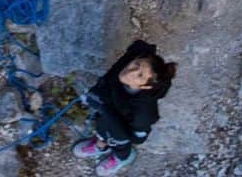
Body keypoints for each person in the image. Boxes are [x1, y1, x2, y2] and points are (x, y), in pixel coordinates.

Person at [72, 39, 176, 173]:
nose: (130, 71)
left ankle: (122, 158)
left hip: (121, 131)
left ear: (145, 86)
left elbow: (135, 138)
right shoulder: (129, 62)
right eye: (136, 64)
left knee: (120, 146)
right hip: (107, 115)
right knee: (101, 131)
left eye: (139, 75)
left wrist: (103, 107)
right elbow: (110, 79)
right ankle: (100, 146)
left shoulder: (143, 111)